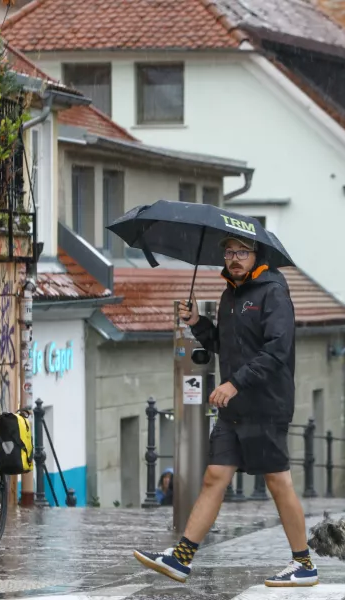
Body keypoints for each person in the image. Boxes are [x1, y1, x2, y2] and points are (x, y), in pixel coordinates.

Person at [134, 235, 318, 587]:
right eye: (229, 252)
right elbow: (226, 345)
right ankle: (181, 558)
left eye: (241, 252)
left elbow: (278, 349)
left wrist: (235, 383)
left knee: (278, 482)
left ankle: (304, 563)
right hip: (233, 407)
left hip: (265, 405)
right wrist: (198, 324)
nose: (234, 259)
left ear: (256, 255)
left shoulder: (273, 291)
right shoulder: (230, 294)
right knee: (214, 477)